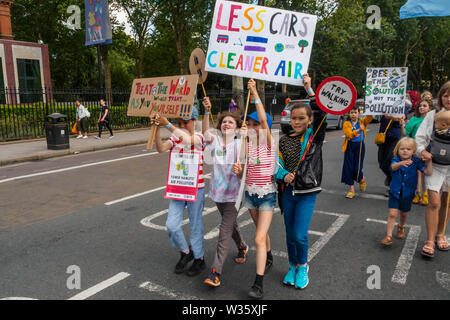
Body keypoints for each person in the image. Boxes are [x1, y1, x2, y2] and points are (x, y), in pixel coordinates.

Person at [275, 73, 326, 290]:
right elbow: (275, 165)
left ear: (309, 120)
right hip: (287, 192)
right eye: (293, 118)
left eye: (301, 119)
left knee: (299, 234)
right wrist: (283, 174)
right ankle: (292, 265)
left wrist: (309, 90)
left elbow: (321, 112)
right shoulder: (284, 139)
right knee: (289, 233)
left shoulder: (314, 138)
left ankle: (303, 266)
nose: (296, 122)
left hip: (307, 192)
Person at [232, 79, 275, 299]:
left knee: (258, 237)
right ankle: (268, 255)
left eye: (257, 123)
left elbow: (262, 117)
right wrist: (238, 169)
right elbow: (242, 173)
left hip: (266, 195)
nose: (253, 126)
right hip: (249, 193)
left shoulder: (267, 141)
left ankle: (258, 284)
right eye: (250, 123)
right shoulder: (246, 144)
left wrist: (255, 92)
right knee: (261, 231)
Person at [151, 107, 207, 276]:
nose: (182, 125)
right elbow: (161, 148)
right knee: (171, 225)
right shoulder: (175, 137)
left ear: (194, 121)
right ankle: (185, 251)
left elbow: (188, 140)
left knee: (196, 225)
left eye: (186, 122)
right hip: (177, 188)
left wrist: (167, 123)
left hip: (195, 188)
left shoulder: (199, 137)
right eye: (179, 122)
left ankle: (199, 258)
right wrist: (157, 129)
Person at [201, 98, 248, 287]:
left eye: (231, 122)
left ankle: (215, 273)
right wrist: (206, 111)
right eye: (224, 122)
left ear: (237, 128)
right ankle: (242, 246)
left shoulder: (240, 144)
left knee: (224, 230)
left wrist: (245, 137)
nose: (227, 124)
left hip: (234, 195)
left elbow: (246, 167)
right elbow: (205, 134)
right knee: (231, 225)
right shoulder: (215, 142)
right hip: (218, 193)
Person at [415, 81, 450, 257]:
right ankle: (429, 239)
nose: (449, 98)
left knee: (446, 201)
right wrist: (422, 151)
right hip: (434, 165)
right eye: (445, 95)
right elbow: (420, 137)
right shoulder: (432, 115)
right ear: (441, 97)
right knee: (434, 201)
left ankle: (440, 234)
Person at [380, 137, 432, 246]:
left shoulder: (416, 162)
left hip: (408, 193)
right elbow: (393, 167)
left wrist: (429, 161)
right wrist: (401, 163)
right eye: (402, 148)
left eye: (408, 149)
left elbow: (428, 172)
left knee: (404, 214)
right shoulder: (396, 160)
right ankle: (388, 236)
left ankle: (401, 227)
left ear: (413, 151)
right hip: (395, 191)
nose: (405, 151)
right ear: (397, 150)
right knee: (392, 213)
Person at [403, 98, 433, 205]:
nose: (421, 107)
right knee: (417, 173)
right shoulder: (414, 119)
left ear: (430, 108)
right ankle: (417, 193)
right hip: (416, 149)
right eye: (420, 105)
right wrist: (402, 124)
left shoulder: (433, 120)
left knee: (426, 173)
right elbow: (405, 133)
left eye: (424, 106)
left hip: (429, 150)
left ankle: (425, 194)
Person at [341, 105, 373, 199]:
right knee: (349, 168)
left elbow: (369, 117)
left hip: (359, 146)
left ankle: (361, 179)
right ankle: (351, 189)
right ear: (349, 114)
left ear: (359, 113)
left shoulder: (362, 121)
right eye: (351, 112)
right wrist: (359, 129)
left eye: (355, 112)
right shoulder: (346, 123)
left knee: (357, 167)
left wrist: (371, 108)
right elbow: (349, 135)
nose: (353, 114)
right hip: (349, 146)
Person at [377, 109, 407, 196]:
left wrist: (390, 117)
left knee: (389, 161)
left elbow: (402, 118)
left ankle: (392, 185)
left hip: (394, 138)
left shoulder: (401, 105)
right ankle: (391, 177)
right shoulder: (384, 105)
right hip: (383, 137)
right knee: (381, 163)